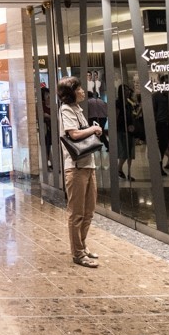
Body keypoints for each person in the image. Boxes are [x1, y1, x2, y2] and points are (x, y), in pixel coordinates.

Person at [60, 76, 102, 268]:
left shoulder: (78, 110)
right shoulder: (66, 110)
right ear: (71, 92)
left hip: (88, 165)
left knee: (89, 211)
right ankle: (77, 253)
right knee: (76, 213)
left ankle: (82, 246)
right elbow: (74, 134)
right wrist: (93, 129)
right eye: (79, 88)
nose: (83, 91)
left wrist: (94, 129)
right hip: (76, 168)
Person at [151, 75, 169, 173]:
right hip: (162, 123)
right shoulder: (156, 96)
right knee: (162, 146)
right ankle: (159, 166)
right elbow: (153, 111)